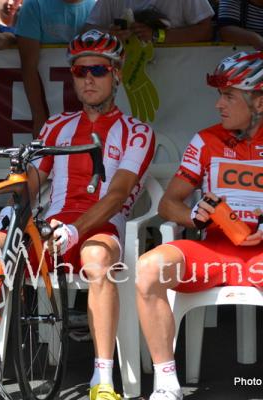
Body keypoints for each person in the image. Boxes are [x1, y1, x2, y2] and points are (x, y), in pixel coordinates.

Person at [0, 29, 155, 400]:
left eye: (98, 70)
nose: (88, 79)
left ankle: (103, 380)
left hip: (100, 227)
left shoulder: (137, 132)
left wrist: (73, 230)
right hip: (50, 228)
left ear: (117, 73)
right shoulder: (56, 126)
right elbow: (32, 184)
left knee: (96, 257)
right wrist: (10, 212)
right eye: (80, 72)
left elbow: (116, 195)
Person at [135, 50, 263, 400]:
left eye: (229, 96)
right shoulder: (206, 139)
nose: (219, 105)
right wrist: (194, 217)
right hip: (214, 249)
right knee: (148, 270)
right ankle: (166, 384)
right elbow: (168, 202)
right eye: (219, 96)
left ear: (259, 101)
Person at [15, 0, 96, 137]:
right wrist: (39, 116)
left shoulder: (98, 6)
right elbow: (28, 66)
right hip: (49, 111)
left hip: (90, 111)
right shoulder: (34, 5)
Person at [84, 0, 215, 44]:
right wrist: (109, 34)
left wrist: (157, 35)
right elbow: (87, 30)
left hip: (179, 78)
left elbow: (206, 30)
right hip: (124, 82)